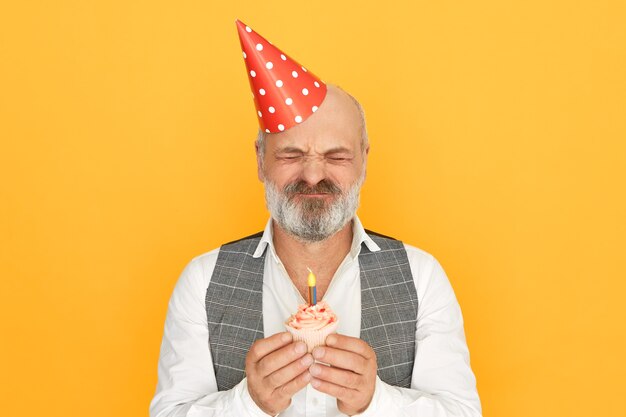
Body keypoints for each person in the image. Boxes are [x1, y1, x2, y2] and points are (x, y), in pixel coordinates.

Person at [150, 21, 481, 417]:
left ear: (363, 161)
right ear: (259, 160)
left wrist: (375, 401)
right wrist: (248, 404)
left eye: (336, 156)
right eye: (290, 155)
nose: (311, 176)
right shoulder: (203, 282)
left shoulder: (421, 277)